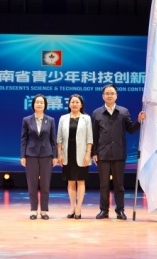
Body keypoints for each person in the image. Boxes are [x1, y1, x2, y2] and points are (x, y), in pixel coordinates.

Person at [91, 84, 146, 220]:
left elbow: (131, 129)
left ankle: (120, 210)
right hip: (103, 154)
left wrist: (139, 121)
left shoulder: (123, 112)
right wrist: (94, 153)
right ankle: (104, 210)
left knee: (119, 185)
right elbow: (94, 135)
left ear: (116, 95)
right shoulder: (97, 113)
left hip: (119, 153)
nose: (109, 96)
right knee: (104, 184)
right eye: (107, 93)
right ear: (103, 96)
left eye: (112, 93)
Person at [20, 94, 57, 220]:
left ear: (45, 105)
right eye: (37, 102)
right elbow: (24, 139)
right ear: (33, 105)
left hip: (46, 155)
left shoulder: (50, 120)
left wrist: (55, 156)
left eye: (41, 102)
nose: (39, 104)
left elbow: (53, 139)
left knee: (45, 184)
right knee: (32, 184)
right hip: (31, 155)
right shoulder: (26, 120)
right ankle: (34, 210)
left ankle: (44, 210)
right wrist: (23, 156)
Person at [57, 94, 93, 220]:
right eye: (72, 102)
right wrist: (59, 154)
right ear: (69, 104)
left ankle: (79, 208)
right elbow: (59, 138)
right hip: (68, 153)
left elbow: (89, 138)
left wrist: (88, 154)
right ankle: (72, 207)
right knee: (70, 181)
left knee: (81, 180)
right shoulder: (63, 118)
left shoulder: (86, 118)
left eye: (77, 102)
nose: (75, 104)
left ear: (81, 105)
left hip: (82, 154)